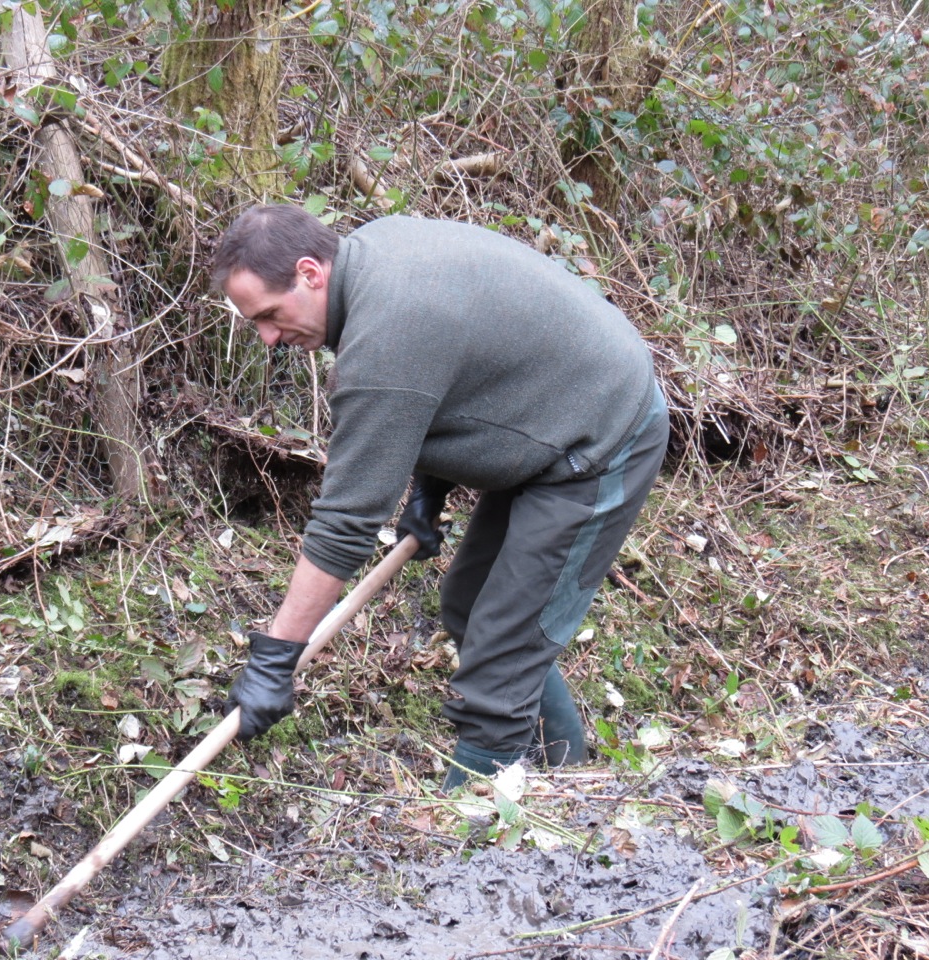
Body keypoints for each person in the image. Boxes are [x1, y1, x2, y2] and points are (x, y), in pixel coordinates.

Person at [212, 205, 668, 790]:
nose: (269, 338)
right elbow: (463, 373)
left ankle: (473, 832)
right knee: (471, 604)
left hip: (603, 436)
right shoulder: (373, 256)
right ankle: (567, 769)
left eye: (271, 316)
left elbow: (345, 521)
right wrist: (430, 488)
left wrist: (276, 656)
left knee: (503, 651)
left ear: (310, 272)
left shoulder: (385, 336)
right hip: (553, 416)